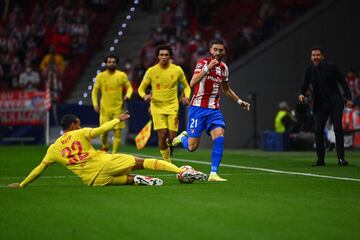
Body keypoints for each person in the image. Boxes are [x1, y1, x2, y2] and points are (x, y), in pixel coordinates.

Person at [7, 112, 207, 188]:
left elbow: (39, 170)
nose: (79, 125)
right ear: (74, 125)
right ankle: (181, 171)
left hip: (93, 181)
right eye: (78, 123)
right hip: (103, 163)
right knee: (142, 162)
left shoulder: (52, 149)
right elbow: (101, 130)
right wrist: (116, 120)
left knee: (127, 177)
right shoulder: (79, 133)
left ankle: (140, 181)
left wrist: (22, 185)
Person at [172, 40, 251, 181]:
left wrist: (240, 101)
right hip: (198, 109)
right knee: (192, 147)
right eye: (215, 49)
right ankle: (183, 138)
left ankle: (213, 173)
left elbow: (226, 89)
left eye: (221, 50)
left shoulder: (224, 68)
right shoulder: (202, 63)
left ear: (224, 52)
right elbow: (192, 82)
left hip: (214, 110)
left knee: (219, 136)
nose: (218, 53)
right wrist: (208, 68)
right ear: (210, 50)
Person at [298, 47, 353, 166]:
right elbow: (304, 85)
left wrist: (348, 98)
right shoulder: (309, 71)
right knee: (318, 130)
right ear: (311, 57)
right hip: (319, 104)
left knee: (338, 128)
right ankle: (320, 160)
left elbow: (343, 83)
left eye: (318, 55)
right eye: (313, 55)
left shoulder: (332, 67)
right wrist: (302, 94)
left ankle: (341, 158)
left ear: (322, 56)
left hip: (335, 102)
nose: (315, 57)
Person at [138, 45, 191, 163]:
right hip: (157, 107)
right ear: (157, 56)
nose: (164, 57)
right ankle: (167, 161)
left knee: (172, 139)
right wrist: (145, 96)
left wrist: (187, 96)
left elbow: (186, 86)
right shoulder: (151, 71)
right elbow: (141, 89)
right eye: (161, 55)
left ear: (170, 56)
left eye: (166, 55)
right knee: (162, 135)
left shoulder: (177, 70)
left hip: (172, 107)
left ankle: (179, 138)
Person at [92, 53, 133, 153]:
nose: (111, 64)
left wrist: (128, 95)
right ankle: (105, 147)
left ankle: (114, 155)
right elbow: (94, 91)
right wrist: (95, 104)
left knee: (117, 133)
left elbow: (129, 87)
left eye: (113, 62)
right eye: (109, 62)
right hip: (104, 110)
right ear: (106, 63)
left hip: (118, 109)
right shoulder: (100, 76)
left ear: (116, 63)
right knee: (103, 132)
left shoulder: (121, 75)